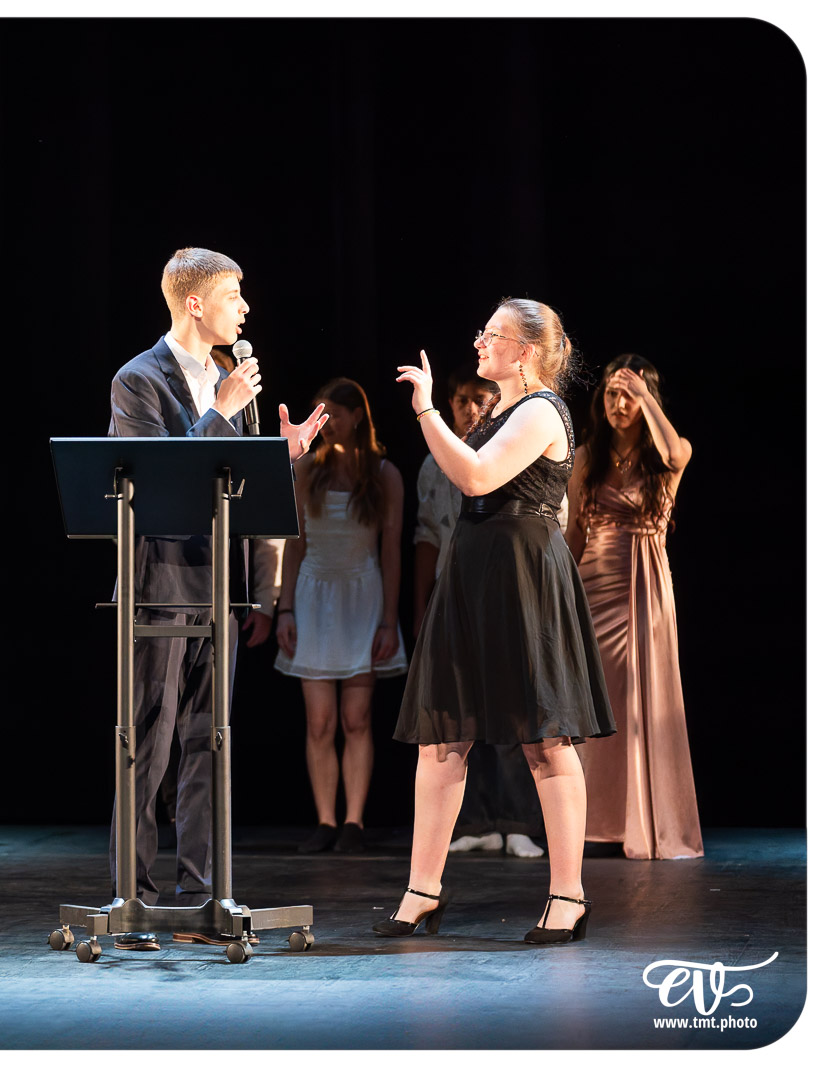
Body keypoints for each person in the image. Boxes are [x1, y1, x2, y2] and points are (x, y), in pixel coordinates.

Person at [107, 247, 326, 950]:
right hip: (160, 587)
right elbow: (161, 490)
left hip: (220, 592)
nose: (245, 308)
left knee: (209, 744)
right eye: (234, 294)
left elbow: (243, 494)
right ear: (194, 302)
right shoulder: (138, 380)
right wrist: (222, 417)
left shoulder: (234, 382)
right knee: (148, 741)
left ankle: (202, 898)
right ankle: (134, 902)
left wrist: (279, 459)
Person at [382, 298, 613, 945]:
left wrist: (426, 407)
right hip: (475, 579)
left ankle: (568, 896)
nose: (479, 342)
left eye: (493, 334)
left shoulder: (541, 410)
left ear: (526, 350)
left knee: (545, 738)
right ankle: (421, 891)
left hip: (520, 584)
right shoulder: (501, 409)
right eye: (481, 331)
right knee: (441, 737)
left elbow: (478, 476)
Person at [567, 355, 701, 860]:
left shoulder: (666, 454)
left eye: (629, 395)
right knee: (597, 700)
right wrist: (562, 587)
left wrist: (644, 396)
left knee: (642, 702)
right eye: (611, 395)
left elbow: (675, 452)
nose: (619, 404)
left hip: (644, 584)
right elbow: (574, 532)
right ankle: (594, 822)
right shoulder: (587, 456)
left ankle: (640, 821)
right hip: (594, 582)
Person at [418, 363, 548, 861]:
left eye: (480, 400)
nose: (471, 409)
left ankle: (517, 821)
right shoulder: (436, 461)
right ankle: (475, 820)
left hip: (505, 590)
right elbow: (426, 536)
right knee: (458, 715)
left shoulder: (515, 440)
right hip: (456, 592)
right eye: (462, 401)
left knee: (514, 711)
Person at [274, 377, 406, 855]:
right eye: (319, 415)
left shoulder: (383, 474)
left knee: (356, 717)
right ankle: (325, 819)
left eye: (332, 414)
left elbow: (391, 552)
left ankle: (354, 820)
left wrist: (389, 620)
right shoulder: (309, 469)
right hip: (313, 595)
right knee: (319, 721)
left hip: (361, 596)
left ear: (355, 416)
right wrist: (284, 607)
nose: (324, 424)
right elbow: (294, 544)